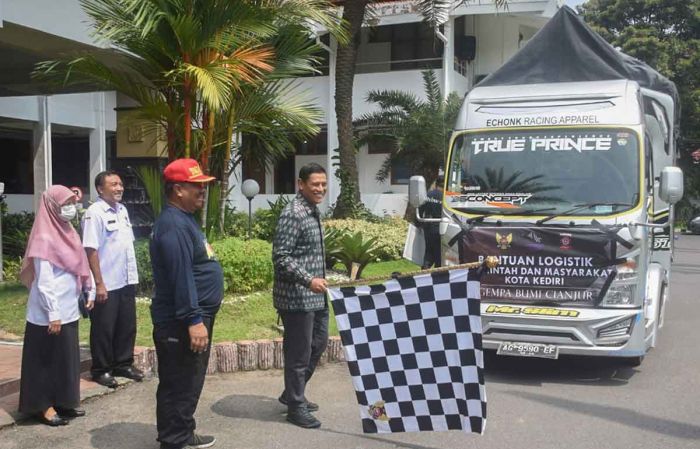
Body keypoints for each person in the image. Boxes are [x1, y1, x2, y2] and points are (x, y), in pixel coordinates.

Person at [150, 158, 223, 449]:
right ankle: (174, 441)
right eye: (197, 187)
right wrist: (194, 320)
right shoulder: (173, 225)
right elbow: (181, 277)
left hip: (190, 317)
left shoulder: (182, 220)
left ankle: (181, 433)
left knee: (186, 383)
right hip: (180, 322)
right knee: (180, 384)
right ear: (178, 190)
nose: (203, 192)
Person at [18, 185, 95, 426]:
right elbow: (44, 280)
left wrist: (88, 288)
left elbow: (80, 263)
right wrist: (53, 314)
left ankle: (64, 400)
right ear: (52, 207)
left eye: (72, 203)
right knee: (45, 359)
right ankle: (43, 406)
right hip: (48, 312)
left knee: (65, 357)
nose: (70, 208)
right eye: (64, 204)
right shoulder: (44, 237)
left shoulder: (68, 231)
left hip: (69, 307)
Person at [272, 162, 329, 429]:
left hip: (317, 296)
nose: (320, 189)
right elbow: (280, 257)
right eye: (315, 184)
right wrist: (308, 280)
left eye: (323, 184)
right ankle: (296, 405)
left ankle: (291, 392)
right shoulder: (293, 213)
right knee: (299, 354)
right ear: (301, 184)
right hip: (296, 297)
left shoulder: (313, 211)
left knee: (318, 344)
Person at [82, 170, 142, 388]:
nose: (119, 188)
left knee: (127, 325)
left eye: (120, 184)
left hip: (125, 279)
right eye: (113, 184)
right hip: (106, 281)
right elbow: (91, 249)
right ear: (100, 189)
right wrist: (98, 283)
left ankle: (123, 363)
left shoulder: (123, 210)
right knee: (104, 328)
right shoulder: (94, 212)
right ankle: (101, 369)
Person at [419, 175, 444, 269]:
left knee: (429, 250)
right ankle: (438, 274)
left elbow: (421, 210)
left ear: (436, 183)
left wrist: (420, 224)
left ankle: (425, 269)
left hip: (428, 225)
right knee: (439, 253)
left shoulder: (428, 195)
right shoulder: (446, 197)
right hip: (441, 226)